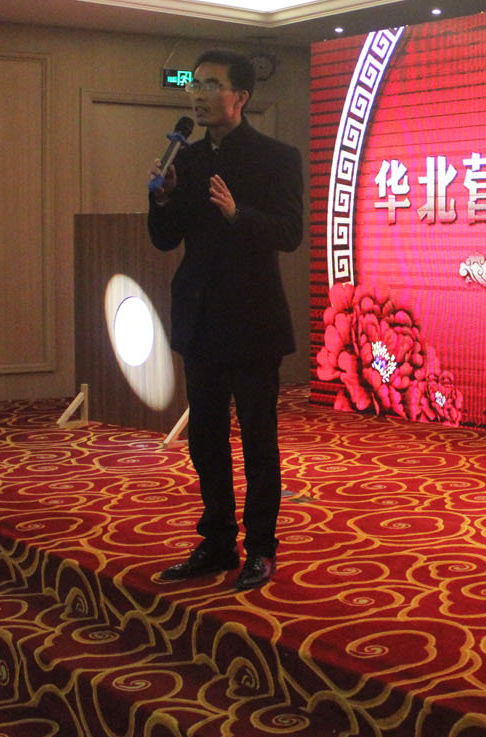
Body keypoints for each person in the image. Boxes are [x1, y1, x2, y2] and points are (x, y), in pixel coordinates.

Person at [148, 49, 303, 591]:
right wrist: (164, 199)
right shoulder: (186, 161)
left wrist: (239, 215)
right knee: (205, 439)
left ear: (241, 97)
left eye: (211, 85)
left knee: (258, 440)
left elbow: (289, 232)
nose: (199, 94)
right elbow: (166, 239)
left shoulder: (276, 157)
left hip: (254, 319)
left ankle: (260, 548)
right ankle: (216, 542)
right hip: (201, 319)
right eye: (195, 85)